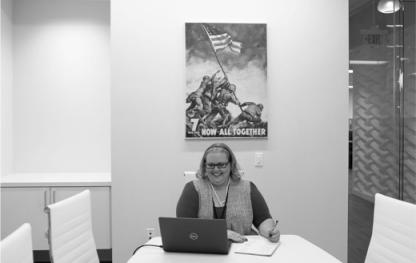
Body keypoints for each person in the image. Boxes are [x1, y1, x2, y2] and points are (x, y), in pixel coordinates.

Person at [176, 143, 280, 243]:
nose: (216, 169)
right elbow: (185, 227)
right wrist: (220, 234)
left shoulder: (247, 188)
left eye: (221, 165)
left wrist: (270, 231)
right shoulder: (192, 189)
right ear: (204, 166)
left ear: (231, 165)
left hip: (242, 250)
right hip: (205, 250)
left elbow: (263, 219)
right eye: (211, 165)